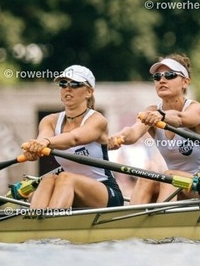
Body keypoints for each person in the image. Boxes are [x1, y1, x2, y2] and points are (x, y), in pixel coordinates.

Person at [108, 53, 200, 205]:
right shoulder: (151, 112)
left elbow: (180, 118)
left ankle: (161, 216)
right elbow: (132, 133)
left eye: (170, 75)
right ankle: (131, 218)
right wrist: (117, 138)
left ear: (185, 82)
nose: (162, 80)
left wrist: (161, 115)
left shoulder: (196, 110)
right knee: (147, 177)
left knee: (169, 176)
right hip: (175, 186)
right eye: (157, 77)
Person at [22, 65, 124, 210]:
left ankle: (52, 220)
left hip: (105, 192)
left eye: (75, 84)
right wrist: (34, 150)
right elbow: (42, 139)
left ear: (89, 92)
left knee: (65, 177)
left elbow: (73, 139)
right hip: (68, 190)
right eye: (63, 84)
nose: (68, 89)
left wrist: (45, 142)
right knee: (48, 179)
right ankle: (33, 220)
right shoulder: (49, 121)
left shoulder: (97, 120)